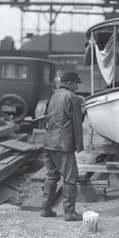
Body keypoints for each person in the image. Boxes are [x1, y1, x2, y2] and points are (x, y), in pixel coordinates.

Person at [41, 71, 85, 221]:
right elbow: (76, 122)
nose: (77, 87)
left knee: (52, 176)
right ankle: (69, 212)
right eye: (76, 83)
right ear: (70, 83)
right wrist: (83, 111)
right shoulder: (73, 97)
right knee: (70, 178)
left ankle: (46, 209)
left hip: (48, 142)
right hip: (63, 144)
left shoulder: (55, 95)